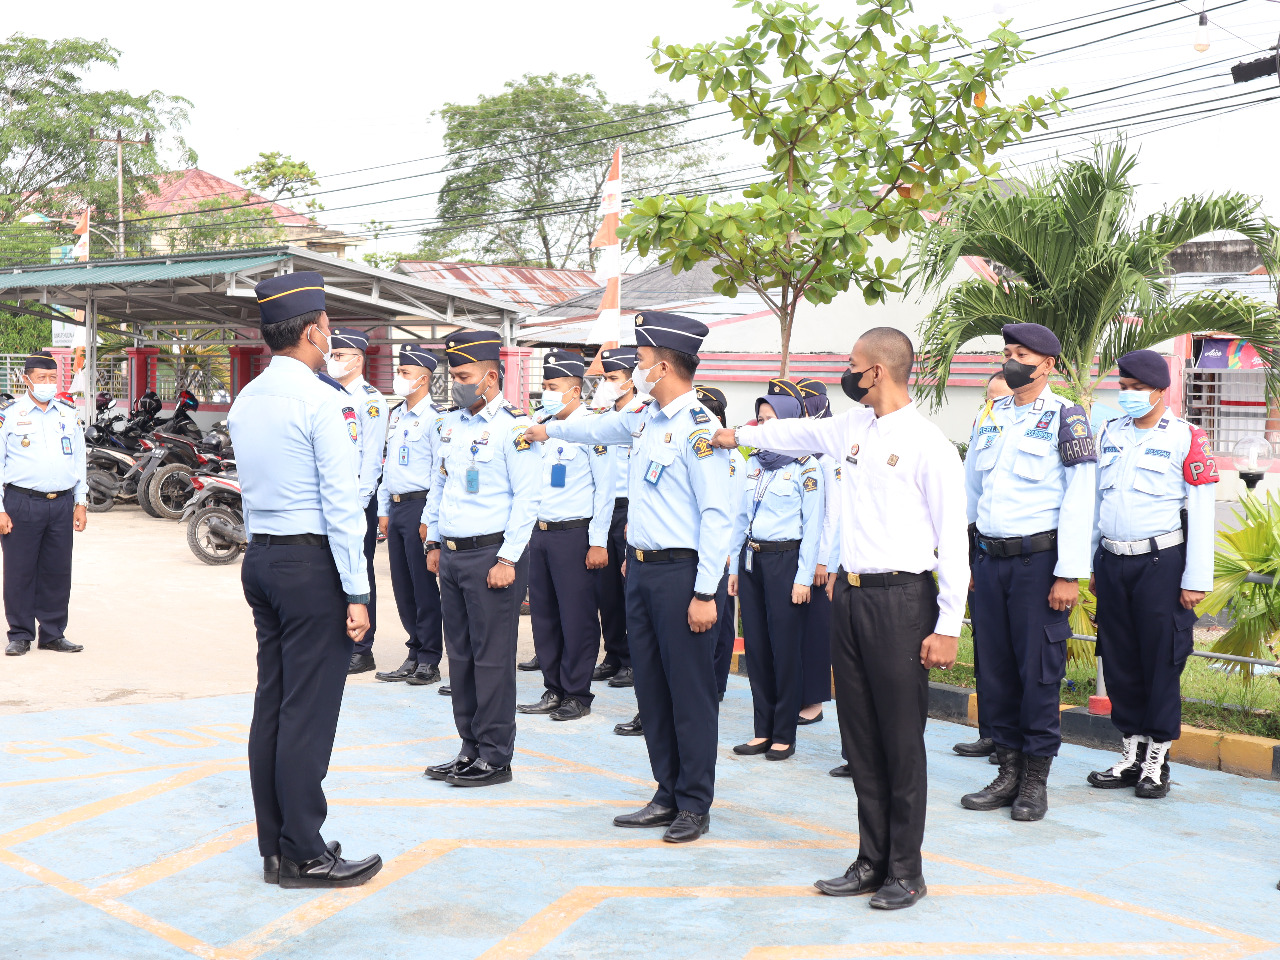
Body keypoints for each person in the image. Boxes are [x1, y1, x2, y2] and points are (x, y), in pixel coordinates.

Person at [714, 327, 966, 911]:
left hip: (902, 600)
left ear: (877, 371)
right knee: (859, 737)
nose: (846, 373)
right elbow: (794, 429)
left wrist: (948, 624)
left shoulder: (929, 445)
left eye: (853, 365)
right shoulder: (851, 427)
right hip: (848, 598)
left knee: (900, 740)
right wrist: (738, 435)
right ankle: (870, 858)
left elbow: (954, 540)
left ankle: (906, 869)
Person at [522, 311, 733, 844]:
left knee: (689, 693)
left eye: (638, 363)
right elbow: (593, 425)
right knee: (653, 689)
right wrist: (547, 427)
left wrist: (706, 590)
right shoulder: (644, 418)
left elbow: (717, 516)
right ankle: (666, 790)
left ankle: (694, 803)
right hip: (640, 571)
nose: (631, 373)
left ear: (662, 366)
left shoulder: (699, 430)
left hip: (684, 577)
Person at [228, 272, 381, 888]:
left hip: (262, 557)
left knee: (274, 704)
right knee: (309, 713)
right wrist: (357, 590)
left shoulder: (248, 398)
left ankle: (276, 846)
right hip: (309, 564)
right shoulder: (324, 400)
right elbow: (342, 503)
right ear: (315, 331)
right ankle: (306, 852)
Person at [961, 323, 1097, 823]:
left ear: (1049, 366)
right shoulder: (993, 414)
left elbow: (1081, 501)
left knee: (1037, 672)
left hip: (1038, 565)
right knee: (994, 669)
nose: (1011, 360)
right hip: (990, 561)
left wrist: (1069, 575)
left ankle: (1035, 781)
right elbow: (971, 490)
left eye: (1022, 354)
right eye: (1008, 352)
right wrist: (966, 556)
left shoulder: (1068, 418)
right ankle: (1008, 770)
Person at [1086, 349, 1216, 799]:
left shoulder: (1186, 437)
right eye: (1123, 388)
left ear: (1161, 390)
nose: (1128, 395)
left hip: (1161, 564)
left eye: (1136, 388)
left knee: (1160, 661)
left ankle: (1157, 761)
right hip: (1112, 560)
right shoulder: (1109, 432)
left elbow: (1200, 509)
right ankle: (1130, 754)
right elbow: (1096, 506)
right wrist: (1090, 563)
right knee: (1119, 659)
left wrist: (1196, 577)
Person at [422, 331, 541, 788]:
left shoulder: (515, 429)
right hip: (452, 556)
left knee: (492, 660)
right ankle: (469, 747)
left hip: (493, 556)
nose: (457, 384)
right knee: (463, 658)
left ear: (491, 377)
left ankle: (495, 756)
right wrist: (433, 541)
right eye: (453, 375)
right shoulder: (450, 425)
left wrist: (509, 558)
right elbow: (441, 485)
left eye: (464, 376)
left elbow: (527, 499)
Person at [518, 349, 614, 721]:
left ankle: (577, 693)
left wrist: (598, 541)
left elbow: (604, 491)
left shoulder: (593, 430)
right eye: (543, 386)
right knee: (544, 617)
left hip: (575, 536)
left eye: (552, 386)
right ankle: (553, 687)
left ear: (575, 391)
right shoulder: (537, 427)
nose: (546, 393)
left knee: (577, 618)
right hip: (539, 535)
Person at [727, 390, 823, 761]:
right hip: (753, 562)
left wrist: (802, 578)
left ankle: (784, 733)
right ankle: (761, 730)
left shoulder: (806, 466)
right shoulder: (756, 464)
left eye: (772, 421)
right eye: (761, 420)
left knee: (785, 650)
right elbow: (740, 519)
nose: (764, 427)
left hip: (786, 561)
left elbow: (812, 527)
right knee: (757, 647)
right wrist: (735, 568)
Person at [0, 352, 88, 657]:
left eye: (53, 378)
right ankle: (20, 633)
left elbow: (80, 460)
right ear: (26, 379)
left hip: (62, 503)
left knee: (57, 571)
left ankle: (52, 633)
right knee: (20, 570)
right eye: (41, 379)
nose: (48, 384)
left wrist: (81, 502)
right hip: (21, 503)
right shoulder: (8, 415)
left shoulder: (67, 413)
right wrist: (0, 509)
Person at [375, 345, 447, 688]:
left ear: (423, 379)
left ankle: (429, 657)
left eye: (404, 373)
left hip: (421, 506)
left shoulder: (435, 418)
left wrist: (429, 520)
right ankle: (414, 650)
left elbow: (438, 472)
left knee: (423, 586)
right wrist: (384, 509)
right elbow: (387, 467)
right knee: (403, 586)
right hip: (398, 506)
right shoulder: (396, 415)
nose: (398, 378)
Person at [953, 370, 1015, 761]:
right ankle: (990, 732)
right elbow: (968, 498)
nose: (991, 405)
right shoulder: (984, 426)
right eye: (987, 398)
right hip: (982, 550)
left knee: (1017, 655)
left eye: (999, 397)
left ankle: (1013, 738)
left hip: (1023, 555)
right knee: (986, 651)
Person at [326, 328, 389, 675]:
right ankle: (339, 639)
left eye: (340, 355)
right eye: (332, 354)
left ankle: (362, 648)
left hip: (355, 500)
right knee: (333, 570)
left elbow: (371, 459)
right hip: (330, 498)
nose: (333, 360)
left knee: (359, 570)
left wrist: (360, 500)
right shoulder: (326, 394)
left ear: (358, 359)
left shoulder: (370, 399)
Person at [592, 347, 640, 694]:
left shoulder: (643, 416)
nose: (607, 385)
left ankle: (635, 661)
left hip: (631, 508)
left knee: (630, 590)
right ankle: (614, 653)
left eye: (613, 378)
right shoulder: (604, 417)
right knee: (605, 589)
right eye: (605, 378)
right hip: (605, 507)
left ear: (632, 380)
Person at [694, 384, 742, 701]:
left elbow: (734, 511)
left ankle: (715, 685)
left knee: (720, 623)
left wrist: (728, 554)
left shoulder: (733, 458)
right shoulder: (697, 451)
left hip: (720, 553)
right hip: (693, 549)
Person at [795, 377, 837, 728]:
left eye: (810, 402)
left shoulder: (829, 453)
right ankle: (801, 693)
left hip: (822, 560)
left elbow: (832, 513)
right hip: (799, 555)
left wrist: (824, 559)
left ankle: (815, 700)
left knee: (816, 631)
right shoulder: (802, 450)